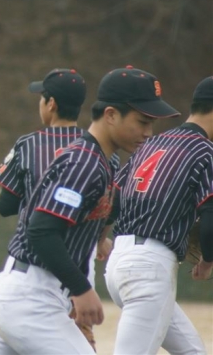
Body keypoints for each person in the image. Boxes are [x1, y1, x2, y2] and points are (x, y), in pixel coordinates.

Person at [0, 65, 180, 354]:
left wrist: (98, 239)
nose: (149, 132)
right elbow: (42, 231)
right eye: (142, 121)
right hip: (31, 299)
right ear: (111, 114)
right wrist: (81, 289)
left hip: (24, 292)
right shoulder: (84, 164)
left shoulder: (96, 159)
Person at [0, 68, 108, 351]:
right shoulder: (99, 151)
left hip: (35, 265)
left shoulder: (29, 144)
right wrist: (102, 237)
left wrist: (36, 195)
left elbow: (5, 206)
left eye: (41, 97)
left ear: (51, 103)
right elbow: (108, 207)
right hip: (80, 266)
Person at [105, 75, 213, 355]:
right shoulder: (206, 152)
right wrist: (208, 260)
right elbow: (210, 216)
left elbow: (112, 203)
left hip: (119, 263)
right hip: (149, 269)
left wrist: (99, 238)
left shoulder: (152, 144)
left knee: (192, 351)